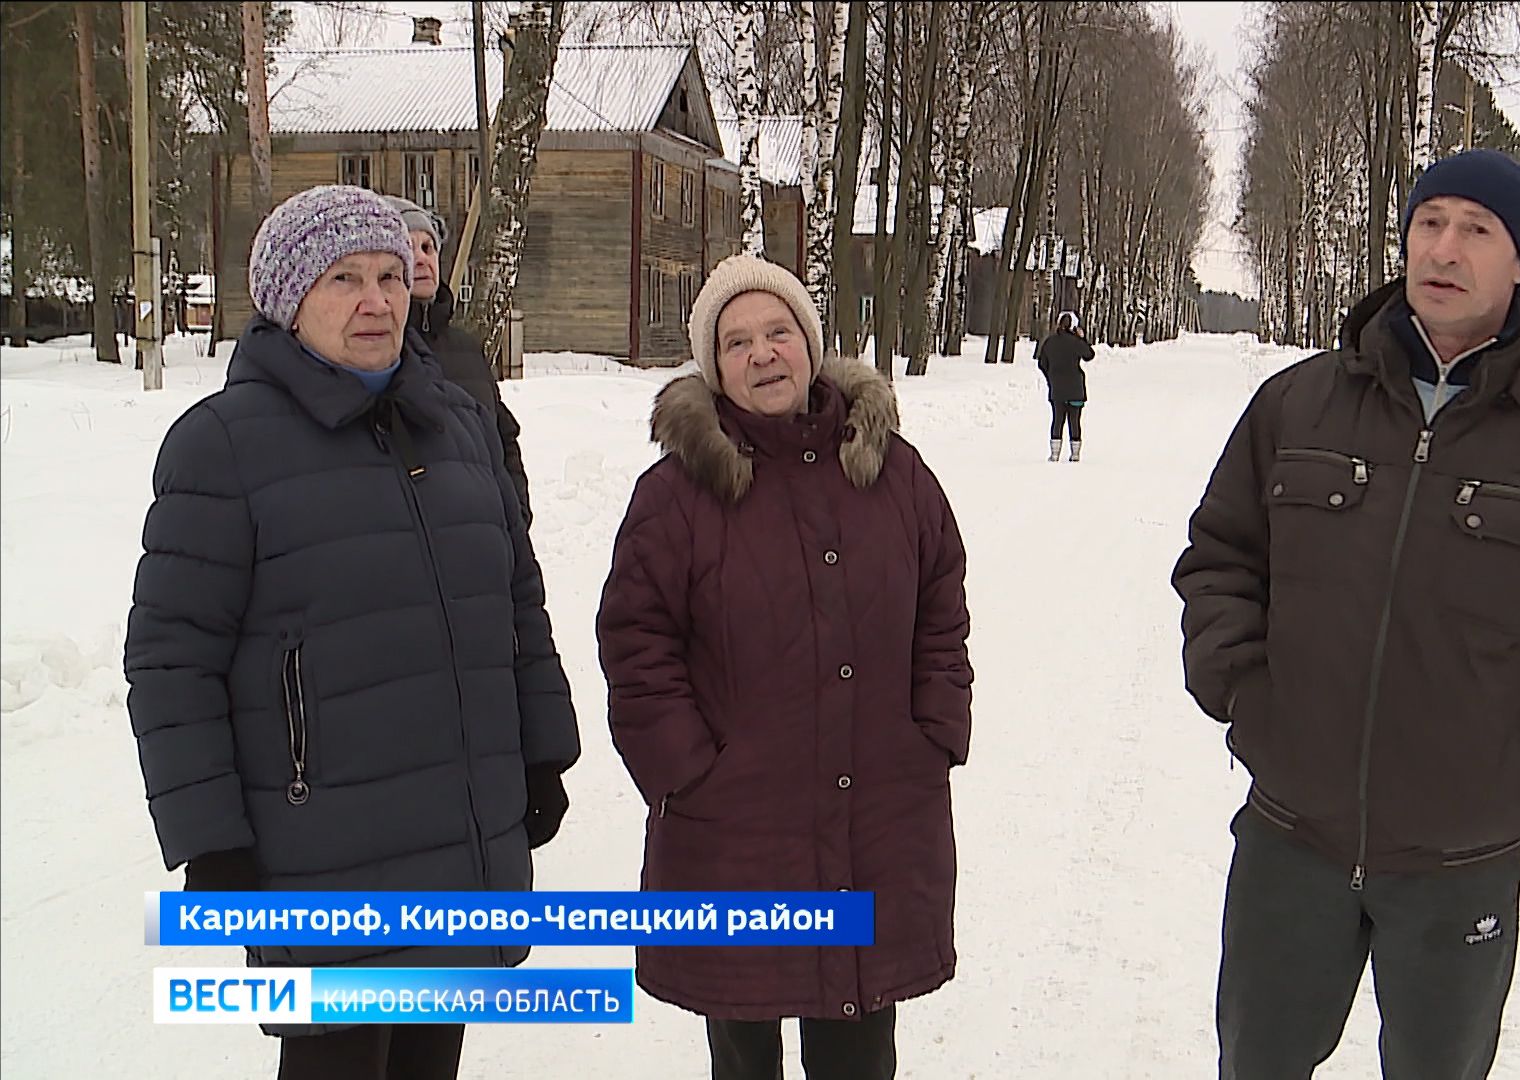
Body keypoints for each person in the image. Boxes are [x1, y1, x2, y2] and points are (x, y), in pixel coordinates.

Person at [1170, 149, 1520, 1079]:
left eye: (1477, 229)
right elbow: (1220, 561)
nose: (1444, 248)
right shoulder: (1297, 405)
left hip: (1462, 865)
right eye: (1429, 223)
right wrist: (1248, 695)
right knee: (1256, 1063)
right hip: (1292, 840)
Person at [124, 184, 580, 1080]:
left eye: (386, 276)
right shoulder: (222, 444)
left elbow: (516, 597)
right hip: (317, 848)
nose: (376, 300)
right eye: (343, 280)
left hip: (457, 834)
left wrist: (539, 750)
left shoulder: (456, 422)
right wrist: (209, 836)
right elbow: (171, 658)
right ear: (290, 302)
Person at [596, 253, 972, 1080]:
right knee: (744, 1043)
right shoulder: (676, 495)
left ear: (810, 342)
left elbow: (941, 603)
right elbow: (636, 644)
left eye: (778, 333)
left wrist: (933, 728)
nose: (762, 355)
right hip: (733, 829)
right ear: (713, 366)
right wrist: (686, 771)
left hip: (876, 813)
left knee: (860, 1042)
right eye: (737, 342)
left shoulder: (894, 475)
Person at [382, 194, 534, 527]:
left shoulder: (466, 349)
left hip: (486, 541)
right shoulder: (375, 352)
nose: (422, 259)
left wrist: (515, 516)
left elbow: (503, 436)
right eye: (409, 248)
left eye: (428, 248)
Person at [1036, 310, 1095, 461]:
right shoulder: (1076, 343)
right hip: (1076, 389)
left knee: (1057, 420)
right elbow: (1089, 355)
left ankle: (1054, 453)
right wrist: (1082, 338)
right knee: (1075, 421)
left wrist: (1051, 377)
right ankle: (1075, 453)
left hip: (1057, 389)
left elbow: (1042, 363)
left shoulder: (1050, 342)